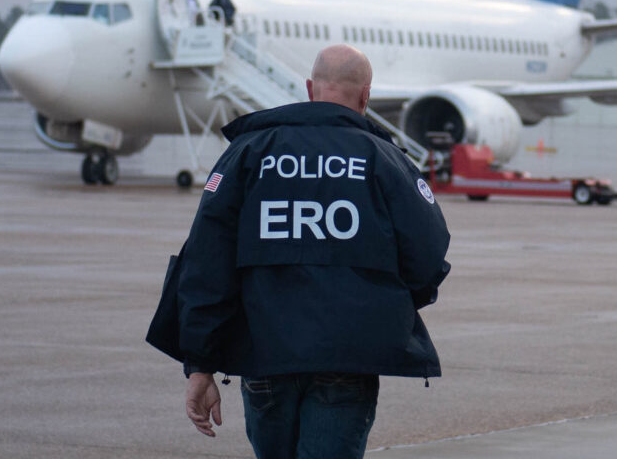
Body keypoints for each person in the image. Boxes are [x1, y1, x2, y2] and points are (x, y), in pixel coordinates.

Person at [176, 44, 450, 458]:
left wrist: (200, 365)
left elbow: (205, 262)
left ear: (309, 88)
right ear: (365, 96)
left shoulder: (248, 154)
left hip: (264, 357)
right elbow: (428, 255)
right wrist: (387, 302)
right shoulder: (384, 160)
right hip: (347, 357)